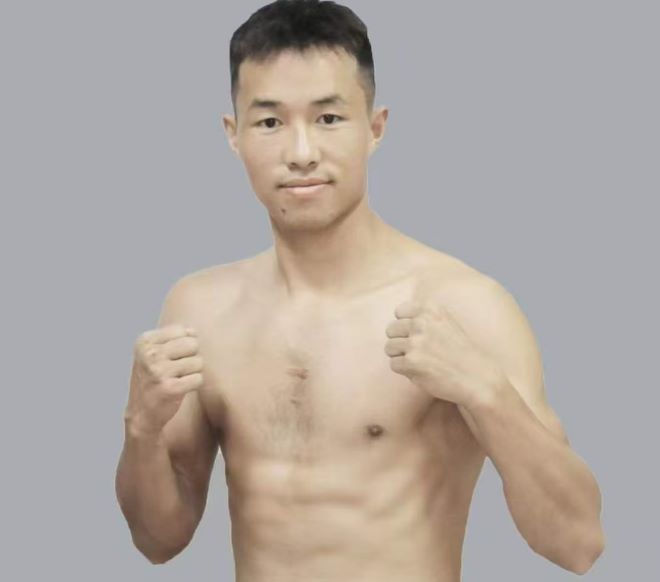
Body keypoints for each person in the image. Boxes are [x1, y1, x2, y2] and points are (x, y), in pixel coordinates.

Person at [115, 1, 606, 579]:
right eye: (270, 123)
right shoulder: (201, 308)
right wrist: (140, 427)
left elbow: (577, 543)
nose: (301, 153)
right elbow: (158, 539)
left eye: (329, 118)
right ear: (234, 135)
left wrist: (487, 393)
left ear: (375, 127)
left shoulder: (461, 305)